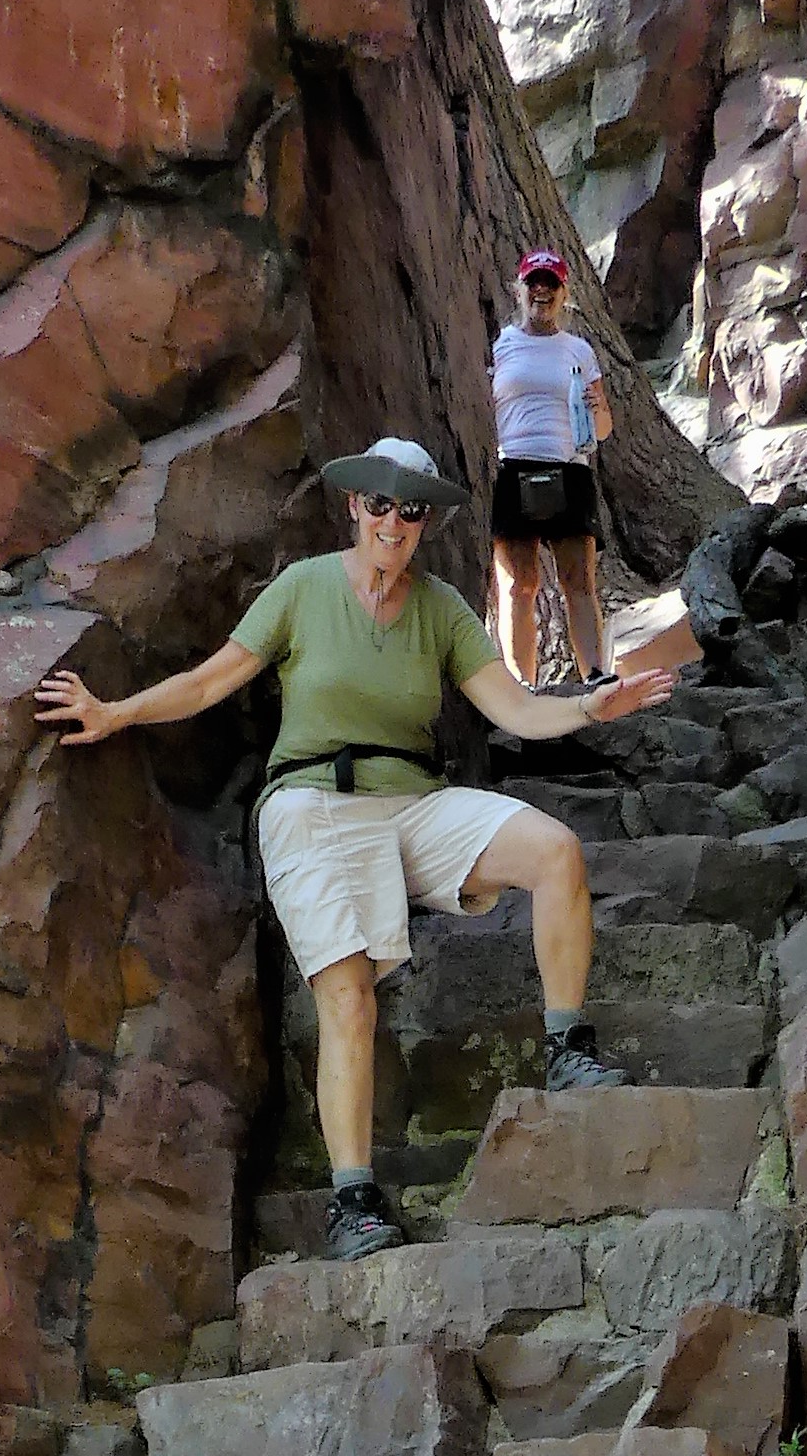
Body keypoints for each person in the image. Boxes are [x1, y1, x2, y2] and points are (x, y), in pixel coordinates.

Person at [34, 434, 680, 1263]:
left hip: (411, 802)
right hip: (310, 803)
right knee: (347, 995)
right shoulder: (304, 589)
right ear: (353, 507)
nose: (394, 521)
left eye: (411, 509)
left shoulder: (441, 607)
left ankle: (566, 1049)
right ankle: (353, 1201)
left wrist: (591, 706)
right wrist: (116, 711)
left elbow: (515, 711)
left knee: (555, 850)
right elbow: (210, 680)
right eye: (380, 503)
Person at [489, 248, 612, 686]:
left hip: (569, 467)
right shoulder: (501, 345)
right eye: (534, 282)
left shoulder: (578, 350)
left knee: (578, 580)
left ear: (564, 293)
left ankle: (595, 674)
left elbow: (602, 430)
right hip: (514, 466)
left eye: (551, 284)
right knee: (518, 584)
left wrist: (598, 408)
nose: (542, 291)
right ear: (519, 289)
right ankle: (520, 682)